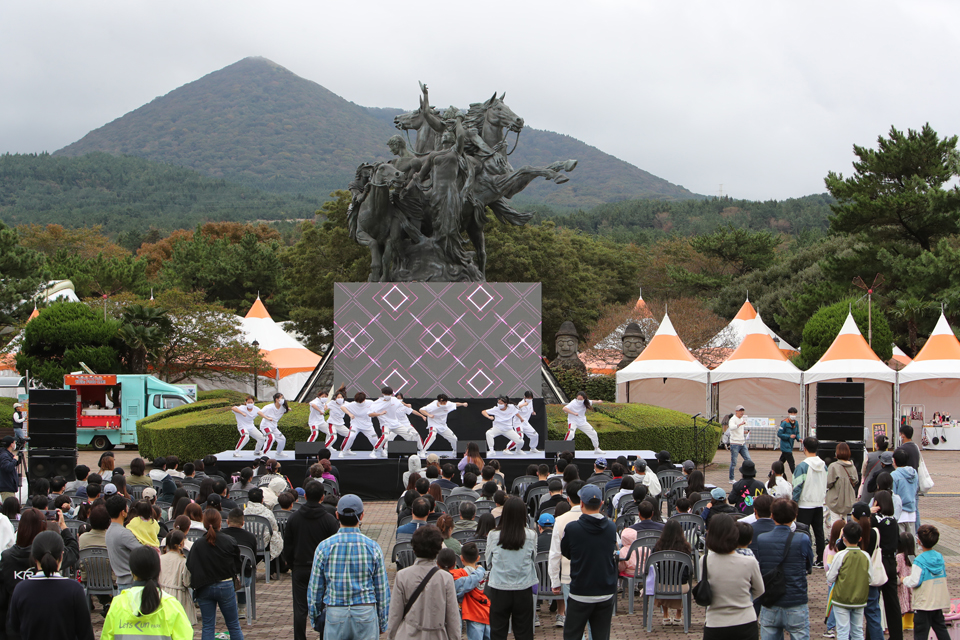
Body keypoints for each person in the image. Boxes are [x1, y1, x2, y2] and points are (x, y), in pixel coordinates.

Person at [307, 494, 390, 639]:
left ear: (337, 515)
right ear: (362, 515)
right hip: (365, 611)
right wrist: (382, 622)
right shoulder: (372, 547)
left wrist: (315, 618)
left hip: (335, 611)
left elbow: (315, 589)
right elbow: (382, 590)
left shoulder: (324, 547)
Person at [557, 484, 618, 640]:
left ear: (581, 503)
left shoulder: (572, 528)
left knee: (572, 634)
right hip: (605, 590)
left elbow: (566, 552)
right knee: (601, 635)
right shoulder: (611, 527)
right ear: (602, 504)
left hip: (580, 592)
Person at [8, 530, 93, 640]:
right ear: (62, 556)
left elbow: (13, 631)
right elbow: (85, 634)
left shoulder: (21, 589)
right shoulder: (74, 589)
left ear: (33, 556)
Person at [281, 481, 338, 640]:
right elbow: (334, 547)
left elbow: (288, 545)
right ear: (322, 497)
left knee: (300, 608)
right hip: (323, 570)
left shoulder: (294, 518)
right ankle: (324, 635)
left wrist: (292, 564)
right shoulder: (329, 520)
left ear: (304, 496)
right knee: (324, 605)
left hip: (300, 567)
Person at [103, 545, 194, 640]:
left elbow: (106, 636)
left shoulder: (118, 603)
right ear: (158, 571)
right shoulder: (171, 604)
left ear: (132, 572)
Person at [386, 525, 460, 639]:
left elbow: (395, 615)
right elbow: (453, 618)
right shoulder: (446, 578)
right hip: (437, 635)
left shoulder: (402, 576)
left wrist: (391, 636)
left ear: (414, 549)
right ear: (438, 549)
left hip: (408, 634)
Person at [755, 498, 814, 640]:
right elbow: (809, 565)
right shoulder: (802, 539)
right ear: (795, 516)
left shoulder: (762, 539)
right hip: (796, 601)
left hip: (770, 601)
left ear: (772, 515)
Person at [700, 513, 765, 640]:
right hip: (745, 620)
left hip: (715, 621)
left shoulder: (705, 560)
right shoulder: (749, 562)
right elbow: (759, 590)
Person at [186, 509, 244, 640]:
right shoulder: (229, 541)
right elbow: (237, 564)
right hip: (225, 585)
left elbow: (190, 565)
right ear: (221, 522)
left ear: (204, 523)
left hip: (204, 586)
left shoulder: (198, 544)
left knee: (208, 626)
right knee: (234, 625)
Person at [485, 497, 537, 640]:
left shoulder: (493, 535)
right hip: (523, 587)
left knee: (497, 631)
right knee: (524, 632)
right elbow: (533, 559)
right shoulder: (531, 535)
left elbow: (488, 560)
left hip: (499, 587)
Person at [903, 524, 951, 640]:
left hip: (923, 604)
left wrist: (904, 579)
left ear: (919, 542)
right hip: (937, 602)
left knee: (921, 634)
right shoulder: (939, 557)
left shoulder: (919, 560)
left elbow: (914, 581)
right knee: (941, 629)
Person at [826, 522, 871, 640]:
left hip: (841, 598)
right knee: (857, 630)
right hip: (859, 599)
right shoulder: (866, 556)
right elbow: (871, 578)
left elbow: (830, 577)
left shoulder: (840, 555)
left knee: (842, 631)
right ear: (860, 538)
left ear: (843, 538)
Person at [869, 491, 903, 640]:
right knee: (892, 602)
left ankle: (872, 636)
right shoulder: (894, 521)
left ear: (876, 503)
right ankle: (897, 636)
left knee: (874, 602)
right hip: (891, 562)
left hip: (878, 563)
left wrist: (868, 513)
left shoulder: (875, 520)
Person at [792, 436, 828, 565]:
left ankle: (805, 559)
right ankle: (821, 559)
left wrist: (794, 503)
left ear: (804, 448)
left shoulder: (802, 466)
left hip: (804, 504)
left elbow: (797, 487)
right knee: (819, 532)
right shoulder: (824, 465)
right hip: (819, 502)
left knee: (803, 533)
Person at [450, 542, 491, 640]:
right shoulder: (487, 574)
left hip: (473, 615)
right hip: (489, 614)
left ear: (461, 558)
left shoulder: (460, 573)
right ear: (478, 558)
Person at [105, 494, 142, 591]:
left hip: (121, 582)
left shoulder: (109, 531)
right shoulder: (123, 533)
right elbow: (143, 552)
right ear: (122, 512)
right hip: (131, 583)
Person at [160, 530, 197, 625]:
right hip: (178, 595)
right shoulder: (183, 561)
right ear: (182, 543)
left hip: (162, 594)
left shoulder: (160, 559)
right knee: (180, 625)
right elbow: (187, 582)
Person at [370, 386, 422, 455]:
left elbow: (400, 403)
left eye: (389, 394)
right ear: (382, 393)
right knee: (385, 437)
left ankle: (412, 452)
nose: (388, 396)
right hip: (385, 424)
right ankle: (374, 452)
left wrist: (406, 405)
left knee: (410, 435)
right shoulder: (377, 403)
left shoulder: (394, 400)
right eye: (386, 394)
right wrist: (380, 413)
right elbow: (370, 414)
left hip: (395, 424)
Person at [243, 488, 283, 565]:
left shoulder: (244, 513)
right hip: (264, 544)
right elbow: (275, 528)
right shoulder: (268, 513)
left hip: (248, 544)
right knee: (276, 535)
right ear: (262, 499)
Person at [825, 442, 859, 530]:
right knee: (847, 523)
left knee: (835, 522)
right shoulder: (852, 466)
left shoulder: (833, 466)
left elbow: (828, 483)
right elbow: (855, 481)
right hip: (848, 500)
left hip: (835, 500)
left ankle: (834, 539)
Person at [890, 449, 918, 535]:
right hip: (912, 512)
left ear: (894, 460)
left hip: (900, 513)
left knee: (901, 543)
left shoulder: (894, 475)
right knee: (910, 542)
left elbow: (893, 495)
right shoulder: (914, 473)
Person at [726, 405, 752, 483]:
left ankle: (749, 475)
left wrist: (745, 432)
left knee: (748, 459)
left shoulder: (742, 419)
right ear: (736, 411)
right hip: (735, 443)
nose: (742, 412)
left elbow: (739, 430)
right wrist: (740, 424)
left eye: (743, 411)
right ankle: (731, 478)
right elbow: (732, 427)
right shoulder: (733, 419)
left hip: (742, 442)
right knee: (734, 462)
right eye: (740, 411)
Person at [859, 435, 889, 502]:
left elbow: (863, 472)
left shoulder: (869, 456)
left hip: (870, 485)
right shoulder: (891, 456)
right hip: (886, 486)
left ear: (877, 445)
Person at [896, 532, 916, 633]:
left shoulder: (899, 557)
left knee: (902, 603)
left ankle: (903, 623)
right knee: (910, 603)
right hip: (911, 585)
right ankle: (910, 623)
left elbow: (896, 570)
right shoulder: (913, 557)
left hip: (902, 585)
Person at [776, 408, 800, 474]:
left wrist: (799, 439)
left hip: (791, 444)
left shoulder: (796, 423)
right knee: (791, 462)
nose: (793, 415)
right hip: (785, 445)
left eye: (794, 413)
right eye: (792, 413)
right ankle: (795, 474)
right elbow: (779, 434)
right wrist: (789, 436)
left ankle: (772, 472)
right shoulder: (784, 423)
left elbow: (797, 433)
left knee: (781, 461)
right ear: (788, 414)